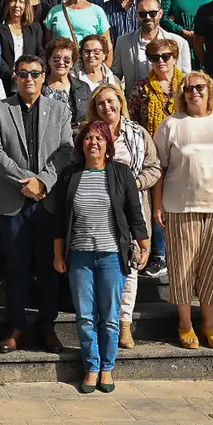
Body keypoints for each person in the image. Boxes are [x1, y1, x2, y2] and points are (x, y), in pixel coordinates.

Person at [49, 120, 149, 392]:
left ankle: (108, 367)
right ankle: (91, 367)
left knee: (110, 316)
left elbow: (134, 213)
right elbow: (60, 220)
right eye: (88, 138)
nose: (93, 143)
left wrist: (144, 244)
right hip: (79, 256)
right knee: (85, 315)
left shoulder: (121, 173)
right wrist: (59, 253)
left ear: (108, 145)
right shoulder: (70, 175)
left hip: (112, 256)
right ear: (82, 145)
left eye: (99, 138)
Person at [153, 71, 213, 350]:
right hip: (180, 207)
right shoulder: (171, 124)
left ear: (209, 92)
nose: (194, 92)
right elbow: (159, 168)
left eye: (200, 88)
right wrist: (156, 205)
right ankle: (184, 324)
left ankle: (208, 323)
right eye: (188, 88)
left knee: (212, 269)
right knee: (182, 267)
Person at [0, 55, 73, 354]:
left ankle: (47, 327)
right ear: (15, 76)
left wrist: (43, 182)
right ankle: (16, 327)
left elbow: (65, 151)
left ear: (44, 76)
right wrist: (27, 182)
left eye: (36, 73)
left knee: (49, 267)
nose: (30, 79)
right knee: (16, 267)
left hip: (47, 202)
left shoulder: (60, 109)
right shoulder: (0, 109)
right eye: (24, 73)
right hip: (13, 199)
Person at [85, 85, 161, 349]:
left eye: (111, 101)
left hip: (133, 209)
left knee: (131, 267)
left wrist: (133, 185)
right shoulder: (88, 135)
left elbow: (154, 168)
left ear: (120, 102)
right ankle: (103, 321)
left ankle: (124, 324)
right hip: (97, 209)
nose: (107, 108)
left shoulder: (138, 134)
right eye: (100, 104)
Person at [126, 36, 186, 281]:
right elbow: (131, 117)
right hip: (152, 154)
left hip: (183, 153)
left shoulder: (188, 85)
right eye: (154, 58)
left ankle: (181, 252)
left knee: (181, 203)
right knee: (156, 205)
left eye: (165, 57)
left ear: (174, 57)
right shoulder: (141, 87)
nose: (160, 62)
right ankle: (159, 254)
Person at [111, 0, 191, 93]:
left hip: (172, 104)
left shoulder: (179, 42)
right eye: (143, 14)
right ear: (137, 14)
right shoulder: (123, 42)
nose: (148, 17)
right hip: (135, 103)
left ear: (161, 13)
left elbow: (186, 77)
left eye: (153, 13)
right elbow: (115, 74)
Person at [44, 0, 112, 61]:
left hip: (89, 66)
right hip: (62, 66)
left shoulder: (97, 12)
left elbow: (106, 45)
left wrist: (105, 70)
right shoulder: (54, 12)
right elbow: (47, 44)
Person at [0, 0, 42, 94]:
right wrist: (10, 73)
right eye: (13, 1)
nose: (17, 5)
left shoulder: (34, 28)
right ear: (8, 4)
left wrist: (35, 72)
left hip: (30, 80)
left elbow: (40, 52)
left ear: (26, 5)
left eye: (21, 2)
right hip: (6, 81)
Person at [42, 38, 90, 127]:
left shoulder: (83, 87)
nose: (61, 62)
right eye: (56, 58)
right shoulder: (39, 86)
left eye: (66, 60)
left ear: (72, 63)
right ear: (49, 60)